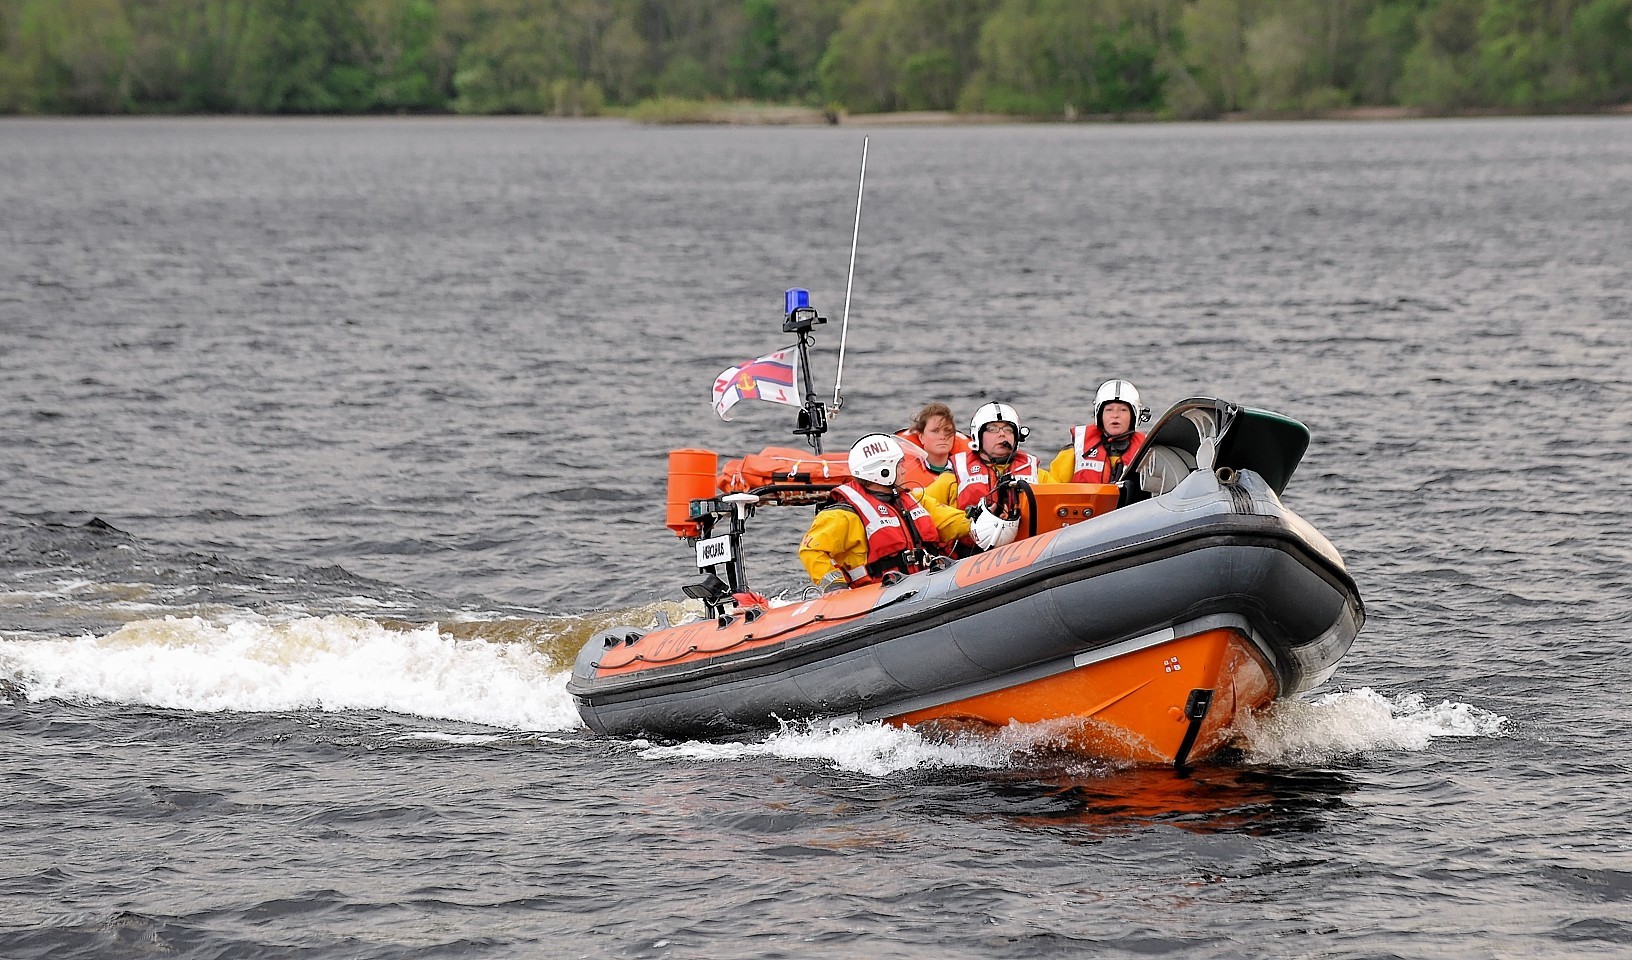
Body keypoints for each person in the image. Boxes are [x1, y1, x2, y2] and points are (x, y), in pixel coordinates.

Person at [800, 433, 1015, 592]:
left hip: (919, 585)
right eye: (899, 465)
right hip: (876, 596)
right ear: (882, 471)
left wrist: (983, 518)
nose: (904, 469)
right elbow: (811, 550)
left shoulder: (912, 499)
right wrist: (835, 586)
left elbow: (947, 521)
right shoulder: (844, 515)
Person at [921, 401, 1047, 515]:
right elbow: (922, 505)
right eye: (992, 429)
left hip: (1030, 539)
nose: (1002, 434)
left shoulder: (1036, 474)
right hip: (972, 539)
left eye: (1008, 429)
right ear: (978, 436)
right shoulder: (956, 475)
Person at [1049, 379, 1149, 484]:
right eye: (1109, 410)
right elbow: (1051, 488)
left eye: (1123, 410)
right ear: (1099, 415)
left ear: (1134, 416)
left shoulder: (1150, 454)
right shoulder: (1075, 452)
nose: (1115, 415)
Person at [894, 402, 969, 494]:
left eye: (947, 430)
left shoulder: (968, 469)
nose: (942, 436)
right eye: (935, 431)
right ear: (922, 437)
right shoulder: (901, 471)